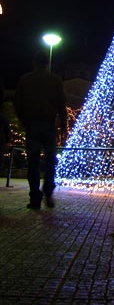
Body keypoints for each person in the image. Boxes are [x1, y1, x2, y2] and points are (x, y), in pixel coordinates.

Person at [14, 49, 67, 209]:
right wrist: (63, 125)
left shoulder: (25, 80)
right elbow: (61, 105)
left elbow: (18, 103)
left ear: (34, 63)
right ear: (47, 63)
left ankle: (35, 198)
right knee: (51, 161)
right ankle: (48, 192)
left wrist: (24, 121)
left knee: (33, 162)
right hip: (49, 125)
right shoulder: (55, 80)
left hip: (32, 124)